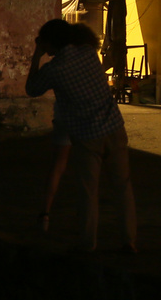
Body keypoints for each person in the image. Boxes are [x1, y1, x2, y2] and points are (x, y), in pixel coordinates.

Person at [26, 18, 137, 252]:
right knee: (122, 187)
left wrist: (36, 55)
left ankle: (88, 244)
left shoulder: (53, 69)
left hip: (87, 134)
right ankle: (129, 241)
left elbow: (32, 89)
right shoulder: (88, 53)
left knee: (88, 191)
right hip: (114, 127)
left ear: (50, 44)